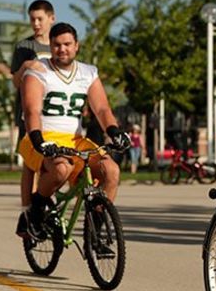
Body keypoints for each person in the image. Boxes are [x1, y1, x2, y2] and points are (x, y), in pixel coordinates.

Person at [16, 22, 131, 236]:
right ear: (50, 46)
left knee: (112, 172)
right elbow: (32, 110)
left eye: (67, 44)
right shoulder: (39, 70)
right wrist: (38, 139)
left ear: (76, 45)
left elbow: (102, 108)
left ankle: (95, 227)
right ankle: (37, 208)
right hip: (42, 136)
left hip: (75, 139)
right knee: (61, 169)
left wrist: (114, 131)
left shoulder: (88, 72)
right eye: (57, 45)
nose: (62, 49)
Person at [11, 0, 56, 211]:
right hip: (29, 113)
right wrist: (27, 65)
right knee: (30, 162)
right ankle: (28, 208)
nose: (36, 24)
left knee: (54, 160)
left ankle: (48, 200)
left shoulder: (60, 46)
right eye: (32, 20)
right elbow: (15, 82)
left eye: (40, 19)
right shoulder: (24, 47)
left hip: (55, 113)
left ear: (51, 18)